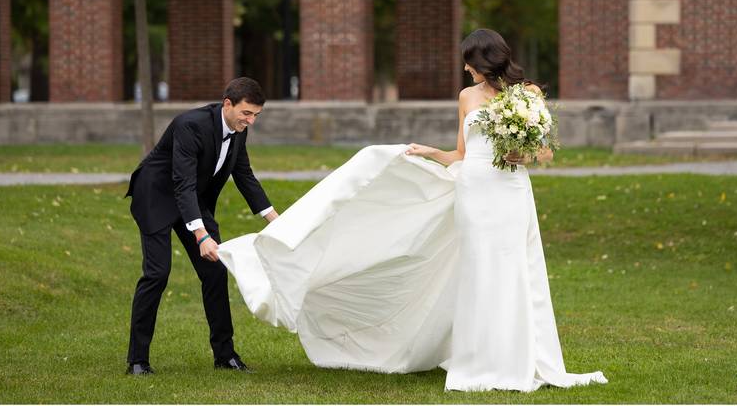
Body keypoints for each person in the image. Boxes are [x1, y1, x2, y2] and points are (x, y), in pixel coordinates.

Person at [218, 31, 607, 392]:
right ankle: (479, 359)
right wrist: (427, 153)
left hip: (509, 192)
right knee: (478, 270)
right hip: (473, 192)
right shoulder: (466, 97)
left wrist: (523, 154)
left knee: (512, 269)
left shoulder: (529, 95)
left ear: (486, 60)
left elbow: (546, 151)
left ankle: (516, 355)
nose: (465, 69)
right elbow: (461, 154)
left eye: (469, 62)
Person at [125, 77, 279, 376]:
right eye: (246, 113)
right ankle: (137, 361)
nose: (250, 121)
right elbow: (182, 182)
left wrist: (277, 222)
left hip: (192, 199)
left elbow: (245, 177)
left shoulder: (238, 131)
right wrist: (201, 235)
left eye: (256, 115)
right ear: (227, 104)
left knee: (216, 272)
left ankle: (225, 355)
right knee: (157, 274)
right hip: (156, 196)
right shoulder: (189, 125)